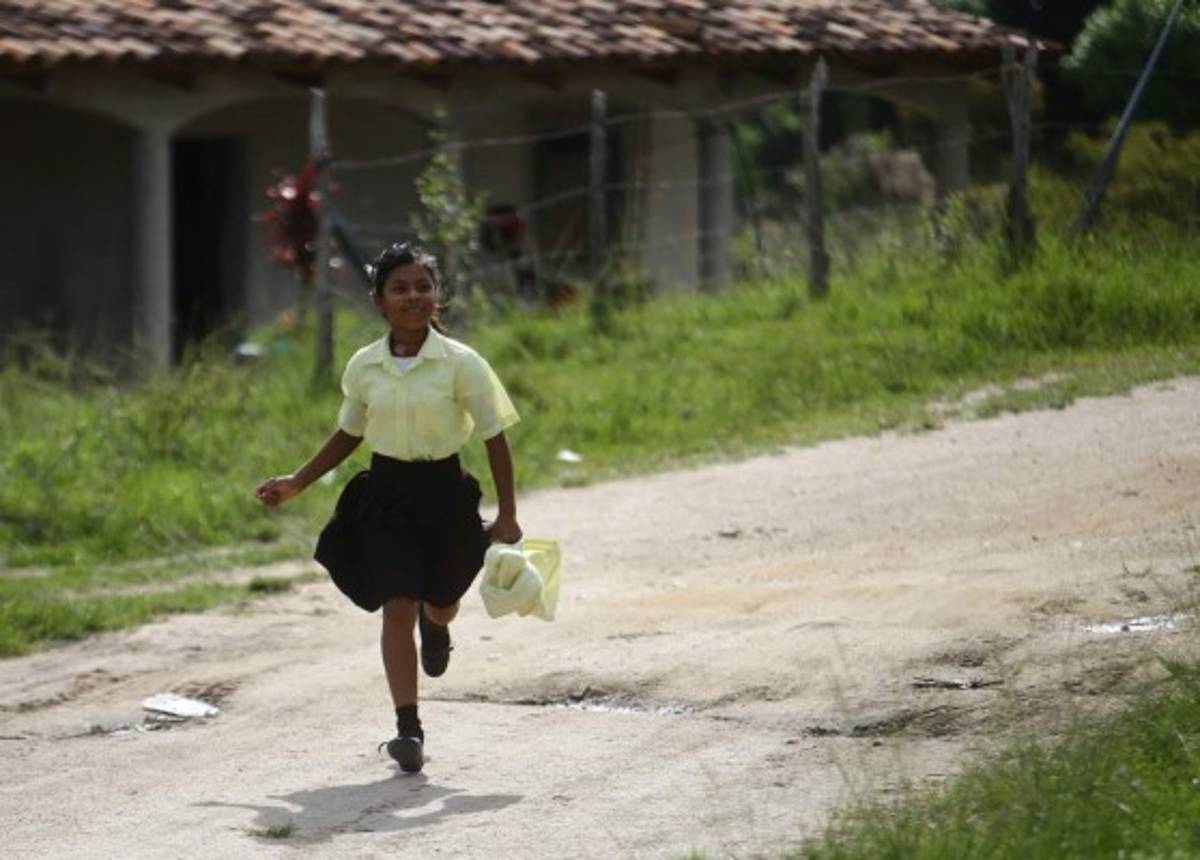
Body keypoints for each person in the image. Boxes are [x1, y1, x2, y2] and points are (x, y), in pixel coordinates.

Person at [254, 241, 523, 774]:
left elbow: (494, 438)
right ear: (379, 300)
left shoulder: (462, 364)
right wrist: (298, 481)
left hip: (446, 494)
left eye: (423, 286)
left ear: (437, 297)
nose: (413, 296)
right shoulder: (365, 366)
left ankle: (439, 623)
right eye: (400, 288)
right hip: (387, 496)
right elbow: (349, 432)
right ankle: (408, 729)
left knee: (441, 599)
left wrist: (508, 514)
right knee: (395, 604)